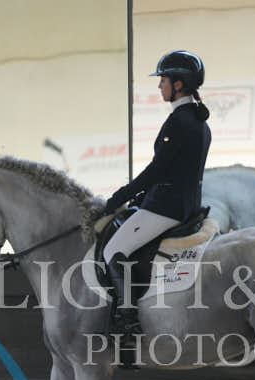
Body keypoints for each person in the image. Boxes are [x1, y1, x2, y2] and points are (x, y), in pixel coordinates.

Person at [101, 50, 212, 335]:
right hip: (185, 204)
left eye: (163, 80)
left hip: (167, 207)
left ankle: (127, 316)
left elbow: (157, 170)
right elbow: (175, 171)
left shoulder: (179, 121)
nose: (160, 85)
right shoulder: (199, 122)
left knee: (113, 250)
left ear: (178, 84)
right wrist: (140, 197)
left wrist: (119, 197)